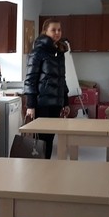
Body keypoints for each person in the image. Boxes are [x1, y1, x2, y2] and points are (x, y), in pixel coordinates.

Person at [24, 18, 70, 159]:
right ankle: (38, 168)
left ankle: (46, 166)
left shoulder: (59, 52)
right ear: (45, 31)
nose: (57, 33)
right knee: (40, 141)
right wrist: (31, 105)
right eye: (53, 30)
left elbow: (61, 79)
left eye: (59, 30)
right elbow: (30, 80)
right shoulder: (38, 51)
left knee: (49, 140)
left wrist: (65, 102)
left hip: (55, 104)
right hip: (41, 104)